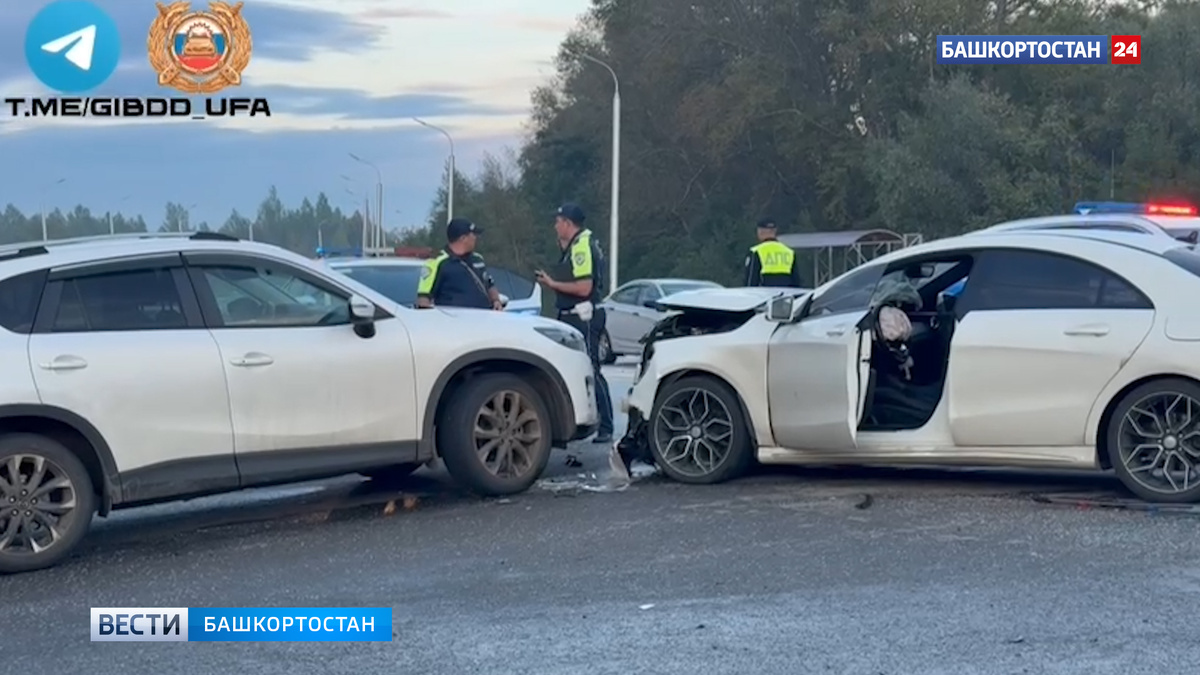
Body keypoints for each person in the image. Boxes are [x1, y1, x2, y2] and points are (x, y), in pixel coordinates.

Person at [534, 203, 614, 444]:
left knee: (591, 368)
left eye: (558, 221)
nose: (555, 225)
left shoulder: (581, 247)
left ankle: (607, 426)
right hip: (574, 314)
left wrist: (553, 284)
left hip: (584, 315)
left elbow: (584, 287)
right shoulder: (575, 245)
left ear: (568, 223)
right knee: (576, 369)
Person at [416, 218, 505, 310]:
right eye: (473, 234)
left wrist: (496, 301)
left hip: (484, 319)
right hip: (453, 321)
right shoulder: (436, 263)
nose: (475, 238)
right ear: (463, 238)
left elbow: (490, 285)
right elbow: (423, 298)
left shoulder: (478, 259)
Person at [745, 217, 804, 287]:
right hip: (786, 296)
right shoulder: (789, 252)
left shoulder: (755, 251)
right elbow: (796, 282)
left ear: (760, 231)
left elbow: (751, 281)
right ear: (775, 231)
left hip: (765, 296)